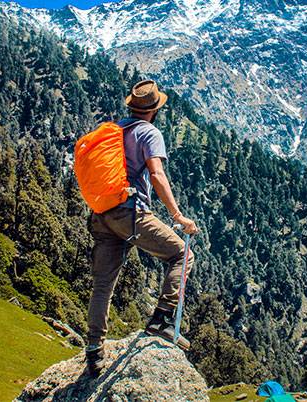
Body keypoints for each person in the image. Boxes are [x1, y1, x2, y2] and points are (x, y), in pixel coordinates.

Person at [85, 80, 199, 376]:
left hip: (102, 214)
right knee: (181, 256)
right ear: (154, 110)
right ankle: (161, 321)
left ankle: (94, 351)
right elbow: (157, 174)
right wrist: (178, 216)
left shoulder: (117, 130)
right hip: (130, 213)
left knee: (103, 285)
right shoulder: (149, 132)